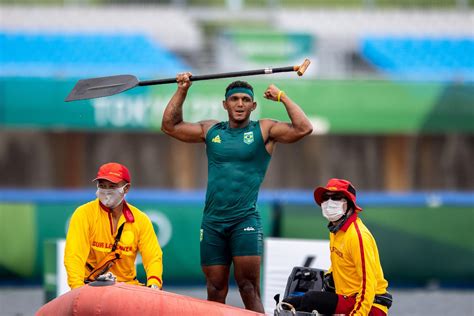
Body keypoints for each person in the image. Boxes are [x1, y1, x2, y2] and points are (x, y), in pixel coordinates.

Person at [161, 72, 313, 312]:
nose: (240, 103)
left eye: (245, 99)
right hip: (212, 223)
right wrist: (182, 89)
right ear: (225, 104)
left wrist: (282, 97)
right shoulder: (211, 130)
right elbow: (170, 126)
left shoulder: (265, 130)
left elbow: (304, 128)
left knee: (248, 287)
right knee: (215, 288)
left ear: (253, 105)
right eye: (234, 99)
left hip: (245, 221)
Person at [283, 178, 392, 315]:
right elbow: (340, 264)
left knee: (311, 300)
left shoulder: (357, 236)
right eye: (326, 198)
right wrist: (329, 277)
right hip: (349, 299)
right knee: (291, 302)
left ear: (349, 203)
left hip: (370, 307)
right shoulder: (336, 231)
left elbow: (368, 284)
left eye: (336, 198)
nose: (329, 202)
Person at [64, 162, 163, 290]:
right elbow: (73, 256)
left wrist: (154, 284)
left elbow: (153, 257)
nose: (106, 191)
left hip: (128, 288)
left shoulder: (140, 219)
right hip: (91, 286)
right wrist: (77, 288)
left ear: (126, 188)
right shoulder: (83, 214)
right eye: (102, 186)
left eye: (112, 186)